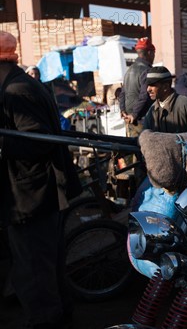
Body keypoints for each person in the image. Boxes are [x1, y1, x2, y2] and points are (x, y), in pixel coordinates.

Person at [0, 31, 82, 329]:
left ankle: (47, 322)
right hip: (36, 196)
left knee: (34, 274)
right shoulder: (16, 84)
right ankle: (59, 317)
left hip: (33, 198)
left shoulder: (16, 90)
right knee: (47, 269)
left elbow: (38, 141)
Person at [142, 66, 187, 137]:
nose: (148, 89)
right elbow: (144, 135)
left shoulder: (184, 104)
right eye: (148, 85)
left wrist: (180, 139)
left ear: (165, 87)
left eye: (152, 85)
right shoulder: (152, 110)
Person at [119, 37, 154, 138]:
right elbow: (145, 95)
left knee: (133, 148)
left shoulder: (129, 70)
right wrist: (134, 114)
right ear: (150, 53)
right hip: (142, 119)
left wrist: (123, 111)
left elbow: (122, 93)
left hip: (130, 118)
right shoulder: (146, 70)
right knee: (145, 149)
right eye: (153, 54)